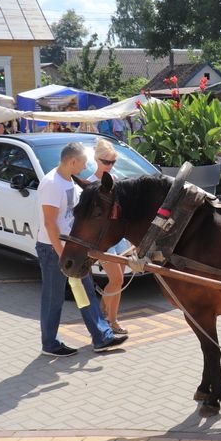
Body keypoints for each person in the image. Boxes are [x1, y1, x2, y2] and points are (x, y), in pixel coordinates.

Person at [37, 142, 128, 356]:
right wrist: (62, 256)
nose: (86, 166)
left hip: (74, 249)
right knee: (53, 298)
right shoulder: (52, 183)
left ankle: (101, 337)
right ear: (72, 161)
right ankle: (49, 344)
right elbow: (50, 224)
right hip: (54, 250)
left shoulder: (71, 181)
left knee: (86, 293)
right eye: (84, 162)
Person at [90, 139, 130, 335]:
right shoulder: (90, 183)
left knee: (119, 281)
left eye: (113, 162)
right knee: (116, 278)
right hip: (101, 240)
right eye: (106, 161)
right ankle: (102, 315)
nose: (109, 165)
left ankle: (112, 319)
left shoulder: (114, 178)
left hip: (118, 236)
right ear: (96, 159)